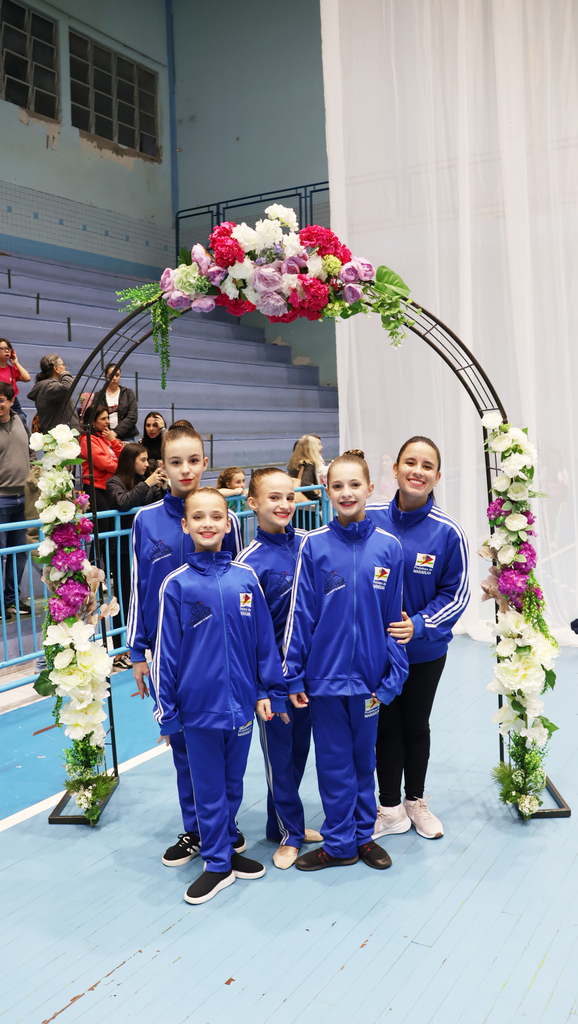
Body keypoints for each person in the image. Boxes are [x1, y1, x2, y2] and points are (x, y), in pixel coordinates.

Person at [154, 486, 288, 905]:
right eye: (199, 517)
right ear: (185, 524)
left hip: (242, 707)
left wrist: (268, 690)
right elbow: (165, 654)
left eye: (216, 516)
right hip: (198, 711)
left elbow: (264, 641)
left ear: (229, 523)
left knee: (232, 787)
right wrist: (167, 713)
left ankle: (226, 848)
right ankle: (215, 864)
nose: (208, 523)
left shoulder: (246, 579)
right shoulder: (176, 585)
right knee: (208, 789)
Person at [283, 449, 409, 872]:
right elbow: (301, 615)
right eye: (338, 486)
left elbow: (395, 618)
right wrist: (296, 677)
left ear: (371, 489)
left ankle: (363, 837)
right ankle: (338, 844)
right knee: (334, 763)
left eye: (355, 484)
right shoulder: (314, 546)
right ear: (326, 492)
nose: (347, 492)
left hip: (371, 682)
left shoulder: (389, 548)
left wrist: (393, 677)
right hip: (325, 681)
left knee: (364, 761)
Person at [127, 424, 243, 866]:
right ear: (163, 467)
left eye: (193, 460)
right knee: (182, 746)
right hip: (170, 658)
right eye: (176, 462)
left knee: (222, 744)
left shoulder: (218, 515)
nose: (186, 469)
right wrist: (138, 651)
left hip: (216, 654)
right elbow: (139, 586)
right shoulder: (146, 520)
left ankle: (224, 826)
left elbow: (233, 582)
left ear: (205, 462)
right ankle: (196, 829)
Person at [366, 436, 470, 840]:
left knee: (416, 724)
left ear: (437, 477)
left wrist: (421, 624)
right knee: (385, 725)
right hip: (377, 652)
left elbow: (456, 593)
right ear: (394, 469)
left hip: (425, 651)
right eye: (410, 462)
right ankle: (389, 808)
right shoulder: (369, 517)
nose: (417, 471)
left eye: (427, 466)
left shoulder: (448, 532)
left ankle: (416, 801)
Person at [236, 468, 322, 868]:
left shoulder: (309, 544)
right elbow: (249, 634)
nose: (284, 504)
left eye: (289, 496)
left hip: (307, 678)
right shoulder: (248, 564)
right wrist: (264, 687)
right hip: (275, 684)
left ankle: (279, 823)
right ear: (253, 504)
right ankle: (290, 832)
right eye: (273, 497)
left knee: (298, 755)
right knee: (279, 760)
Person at [106, 443, 167, 668]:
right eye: (142, 459)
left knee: (143, 595)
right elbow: (122, 503)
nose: (146, 464)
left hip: (144, 548)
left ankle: (141, 645)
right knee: (123, 598)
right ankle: (121, 652)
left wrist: (165, 487)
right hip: (121, 550)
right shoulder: (114, 482)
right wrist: (147, 483)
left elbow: (159, 504)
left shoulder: (147, 482)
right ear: (131, 460)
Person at [0, 382, 31, 619]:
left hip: (24, 498)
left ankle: (11, 601)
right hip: (1, 500)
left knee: (19, 553)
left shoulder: (21, 420)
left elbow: (30, 451)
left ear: (11, 401)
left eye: (1, 400)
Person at [27, 353, 80, 433]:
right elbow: (68, 387)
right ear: (56, 368)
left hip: (62, 438)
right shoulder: (48, 386)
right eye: (62, 364)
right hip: (58, 440)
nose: (64, 367)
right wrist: (64, 373)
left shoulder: (49, 386)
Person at [101, 364, 138, 441]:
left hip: (126, 435)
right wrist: (108, 433)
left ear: (120, 376)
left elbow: (132, 417)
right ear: (105, 376)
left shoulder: (128, 393)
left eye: (117, 375)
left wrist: (115, 432)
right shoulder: (99, 396)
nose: (114, 378)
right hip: (105, 436)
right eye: (111, 375)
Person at [0, 339, 30, 428]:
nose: (6, 351)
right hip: (1, 400)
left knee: (22, 420)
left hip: (13, 401)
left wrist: (16, 362)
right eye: (3, 348)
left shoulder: (12, 369)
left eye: (8, 349)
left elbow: (27, 378)